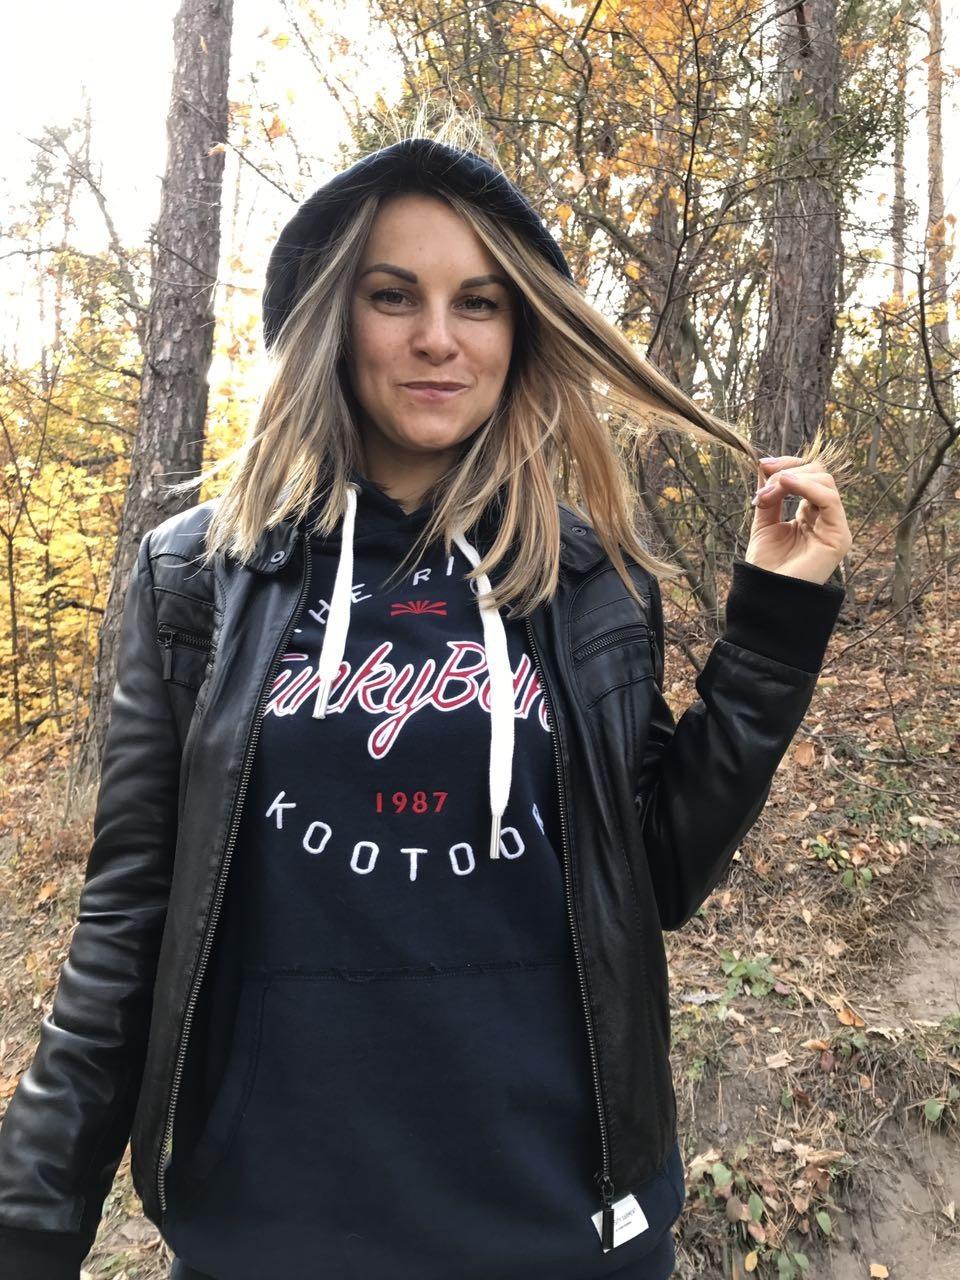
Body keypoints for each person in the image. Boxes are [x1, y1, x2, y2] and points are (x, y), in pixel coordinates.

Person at [0, 130, 851, 1280]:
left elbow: (655, 869)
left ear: (520, 330)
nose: (438, 337)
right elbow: (128, 920)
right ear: (331, 316)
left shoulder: (584, 578)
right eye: (393, 294)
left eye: (479, 302)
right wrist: (32, 1214)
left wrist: (774, 631)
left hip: (562, 1225)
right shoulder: (203, 578)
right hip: (271, 1228)